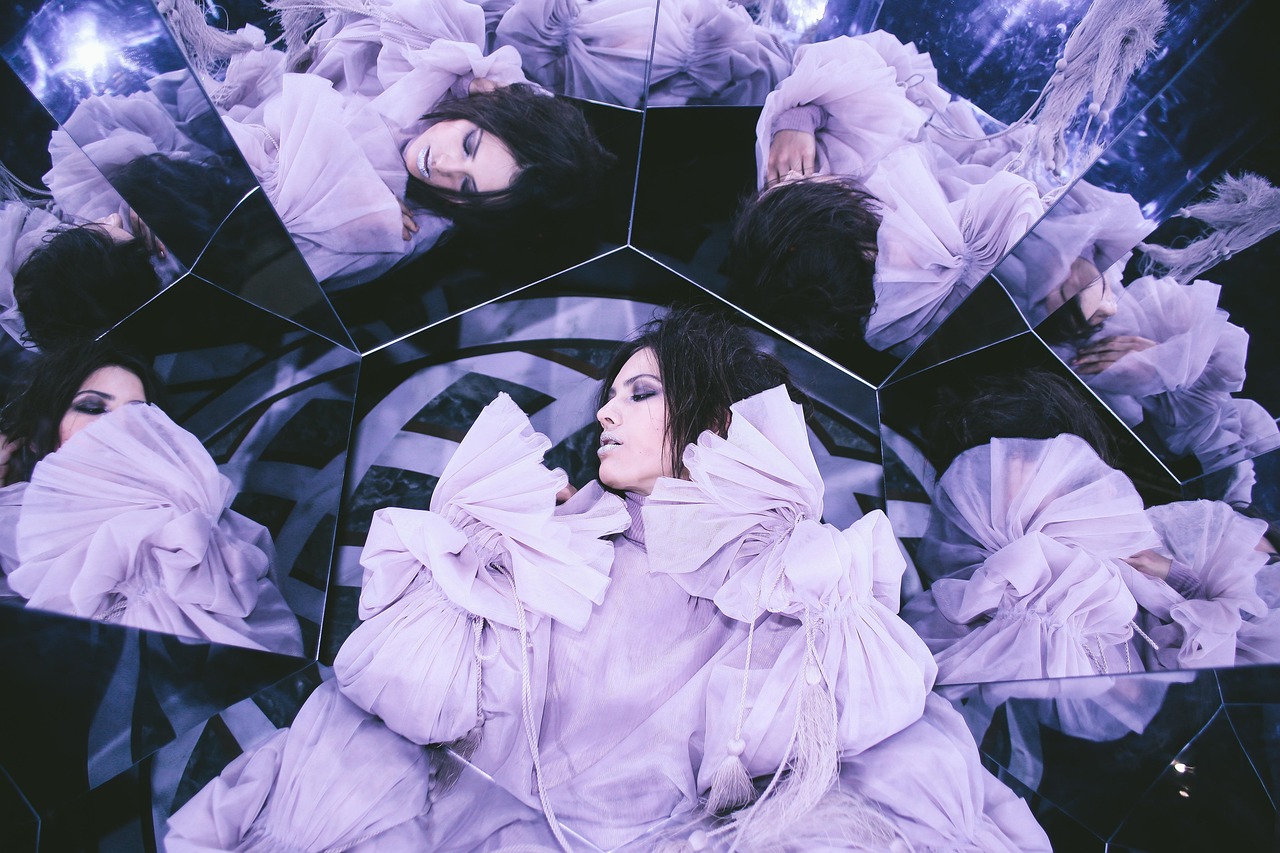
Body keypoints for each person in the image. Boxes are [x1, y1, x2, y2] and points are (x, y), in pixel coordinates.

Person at [167, 307, 1047, 851]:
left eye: (639, 392)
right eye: (612, 393)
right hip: (487, 817)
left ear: (715, 413)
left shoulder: (793, 571)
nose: (604, 411)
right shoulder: (556, 540)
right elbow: (411, 698)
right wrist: (490, 546)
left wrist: (797, 578)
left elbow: (833, 735)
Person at [905, 368, 1278, 682]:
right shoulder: (1008, 590)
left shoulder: (1117, 551)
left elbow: (1196, 645)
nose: (1099, 490)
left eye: (1083, 478)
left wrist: (1177, 579)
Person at [727, 33, 1043, 355]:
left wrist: (798, 118)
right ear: (866, 248)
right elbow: (1018, 202)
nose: (810, 179)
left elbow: (858, 71)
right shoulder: (921, 256)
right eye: (824, 190)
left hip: (942, 121)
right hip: (984, 155)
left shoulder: (791, 196)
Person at [0, 341, 303, 654]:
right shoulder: (14, 524)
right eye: (92, 408)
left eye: (138, 415)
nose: (120, 426)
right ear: (39, 433)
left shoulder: (186, 530)